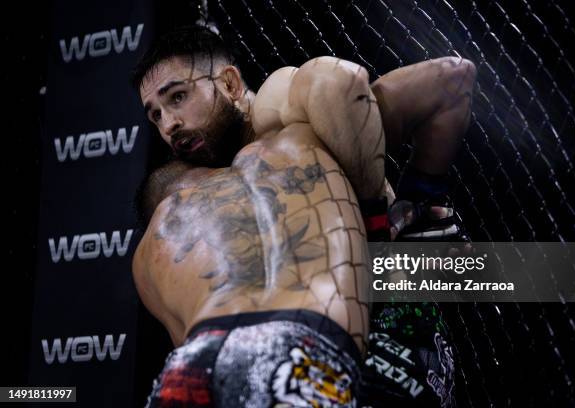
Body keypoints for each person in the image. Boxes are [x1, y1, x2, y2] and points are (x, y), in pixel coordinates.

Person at [132, 25, 475, 407]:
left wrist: (401, 207)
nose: (168, 125)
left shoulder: (277, 117)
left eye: (178, 97)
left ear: (229, 84)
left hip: (377, 350)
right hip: (318, 353)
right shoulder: (208, 189)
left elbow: (442, 77)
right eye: (156, 116)